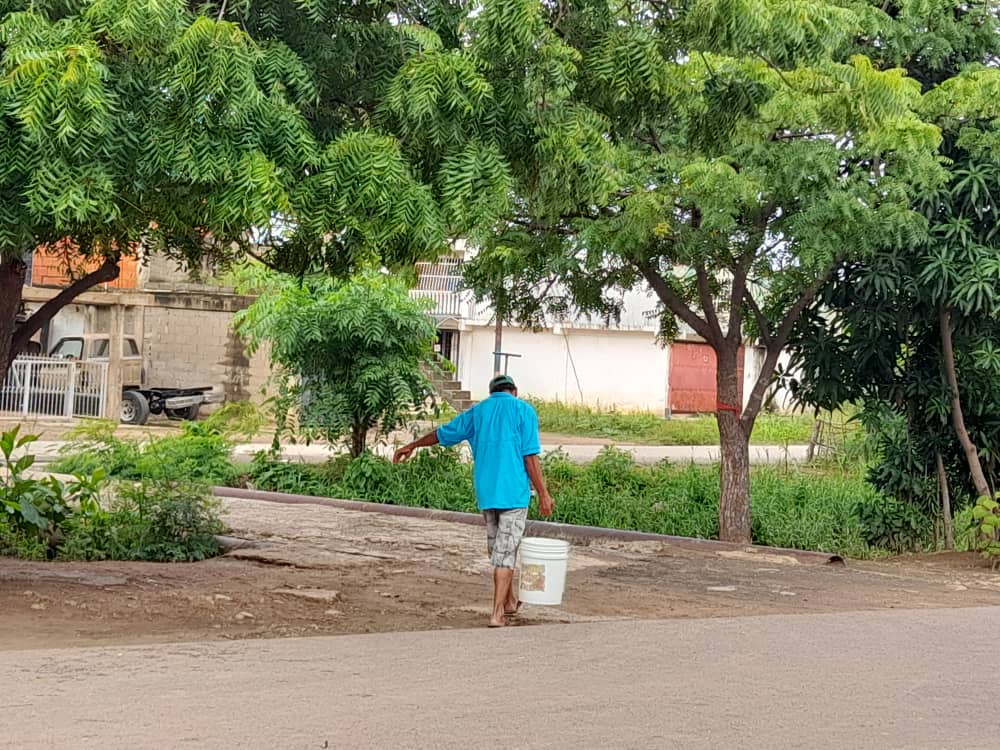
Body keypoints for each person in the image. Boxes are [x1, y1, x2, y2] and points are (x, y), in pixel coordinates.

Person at [393, 374, 555, 627]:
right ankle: (497, 614)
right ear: (514, 391)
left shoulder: (478, 412)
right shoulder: (523, 410)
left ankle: (509, 603)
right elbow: (530, 457)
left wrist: (413, 445)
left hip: (487, 493)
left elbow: (443, 433)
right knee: (506, 552)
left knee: (500, 549)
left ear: (491, 392)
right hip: (513, 494)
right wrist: (543, 493)